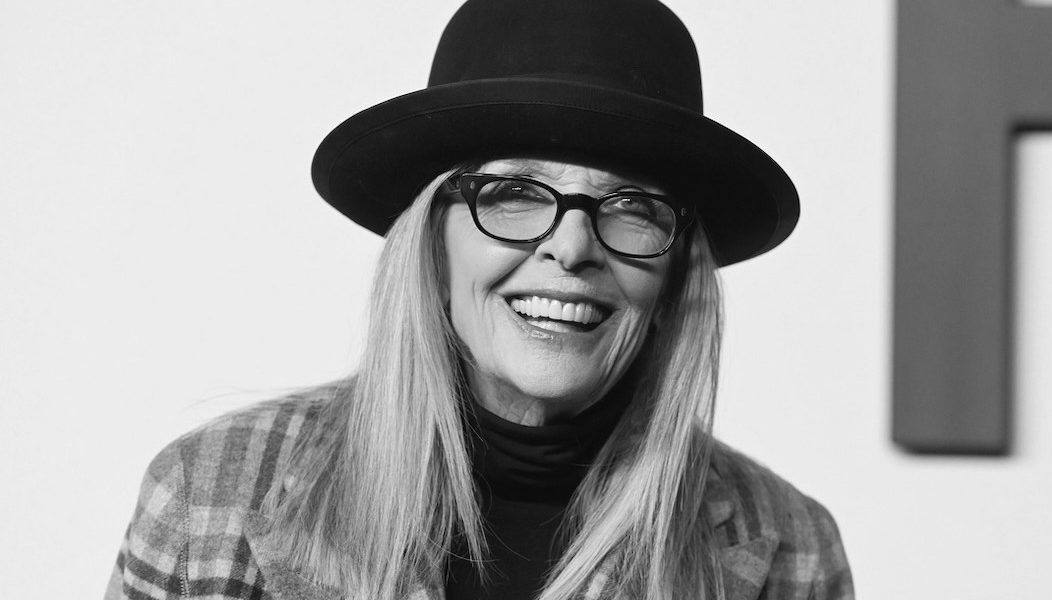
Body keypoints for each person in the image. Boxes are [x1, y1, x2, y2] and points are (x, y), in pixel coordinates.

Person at [105, 1, 854, 599]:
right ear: (432, 241)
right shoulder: (210, 497)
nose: (572, 247)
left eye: (633, 206)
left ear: (675, 273)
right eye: (515, 193)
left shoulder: (793, 550)